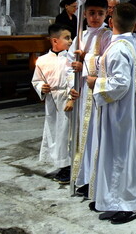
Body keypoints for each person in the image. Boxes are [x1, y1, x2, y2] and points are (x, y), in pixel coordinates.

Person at [87, 3, 136, 224]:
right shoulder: (129, 43)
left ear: (110, 22)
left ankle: (129, 204)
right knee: (116, 156)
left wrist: (95, 83)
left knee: (120, 157)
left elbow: (120, 84)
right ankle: (112, 200)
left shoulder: (118, 48)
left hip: (120, 113)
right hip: (124, 111)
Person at [68, 0, 113, 195]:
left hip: (96, 93)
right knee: (81, 138)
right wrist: (71, 86)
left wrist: (85, 62)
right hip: (82, 92)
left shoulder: (107, 35)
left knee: (94, 137)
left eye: (100, 13)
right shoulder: (80, 35)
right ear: (84, 13)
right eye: (91, 13)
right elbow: (68, 63)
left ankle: (95, 179)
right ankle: (82, 177)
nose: (95, 17)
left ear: (106, 14)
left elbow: (108, 62)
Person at [31, 23, 78, 185]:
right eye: (66, 38)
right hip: (52, 101)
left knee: (67, 133)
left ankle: (69, 165)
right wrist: (41, 87)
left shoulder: (71, 59)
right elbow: (36, 80)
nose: (71, 41)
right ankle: (61, 164)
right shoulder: (42, 60)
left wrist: (72, 98)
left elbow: (75, 79)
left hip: (67, 99)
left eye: (71, 37)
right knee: (55, 132)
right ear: (54, 41)